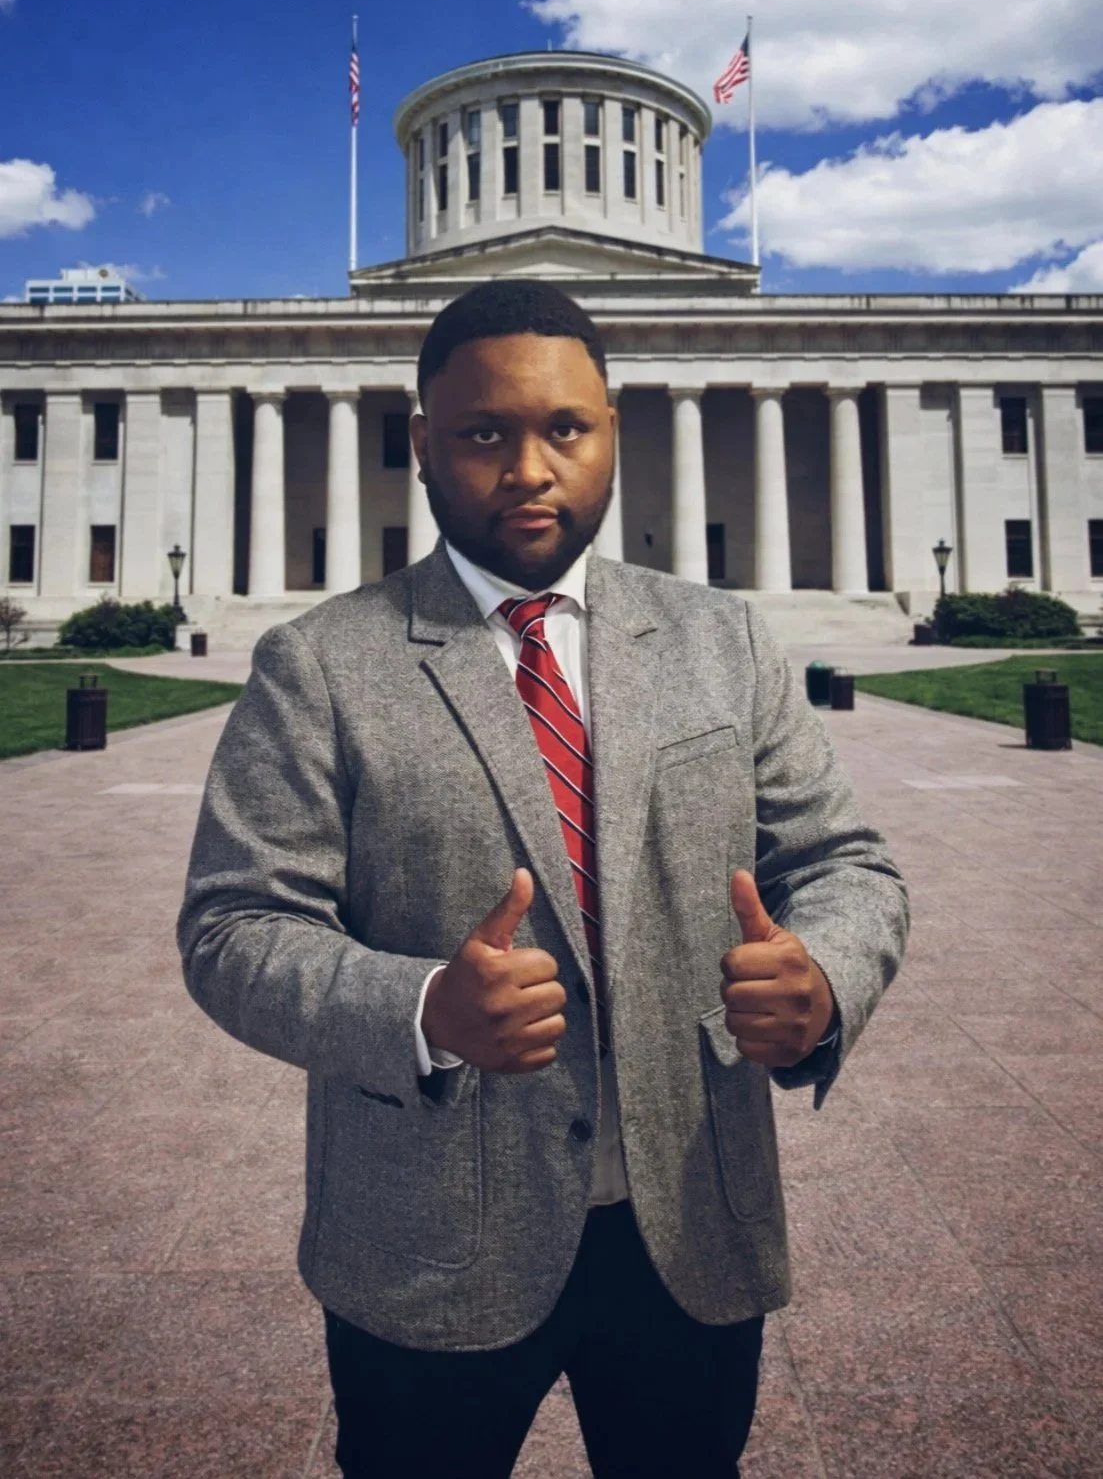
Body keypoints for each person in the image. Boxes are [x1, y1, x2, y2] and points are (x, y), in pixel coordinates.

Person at [176, 278, 908, 1479]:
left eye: (563, 428)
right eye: (482, 433)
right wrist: (419, 1008)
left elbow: (843, 862)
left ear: (611, 428)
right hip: (430, 1237)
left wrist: (822, 975)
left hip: (687, 1224)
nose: (527, 468)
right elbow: (232, 925)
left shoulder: (718, 638)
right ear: (421, 444)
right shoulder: (319, 664)